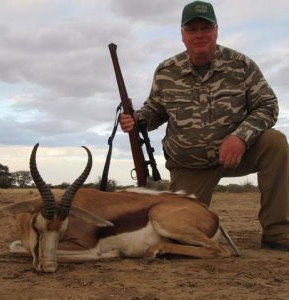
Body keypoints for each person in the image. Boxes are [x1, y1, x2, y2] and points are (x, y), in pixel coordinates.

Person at [119, 1, 289, 251]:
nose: (199, 34)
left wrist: (241, 137)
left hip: (234, 155)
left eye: (205, 28)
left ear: (216, 30)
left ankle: (277, 231)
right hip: (189, 164)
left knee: (275, 142)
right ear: (182, 34)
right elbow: (155, 110)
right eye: (192, 29)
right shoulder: (166, 71)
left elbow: (268, 105)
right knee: (175, 232)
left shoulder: (241, 65)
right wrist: (137, 119)